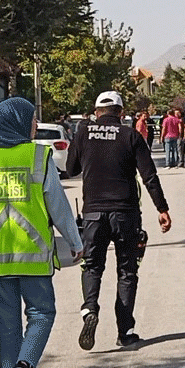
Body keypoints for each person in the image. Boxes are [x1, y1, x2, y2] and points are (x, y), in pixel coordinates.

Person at [0, 98, 81, 368]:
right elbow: (57, 204)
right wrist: (75, 241)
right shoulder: (38, 155)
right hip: (32, 253)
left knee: (6, 321)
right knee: (42, 313)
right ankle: (25, 365)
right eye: (32, 119)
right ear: (18, 123)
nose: (35, 125)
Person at [66, 91, 172, 350]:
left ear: (96, 112)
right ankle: (125, 331)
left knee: (92, 266)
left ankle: (90, 309)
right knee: (127, 271)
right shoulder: (130, 136)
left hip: (93, 214)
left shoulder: (83, 134)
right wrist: (162, 208)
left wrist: (83, 145)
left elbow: (70, 169)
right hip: (125, 214)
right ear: (121, 113)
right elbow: (149, 176)